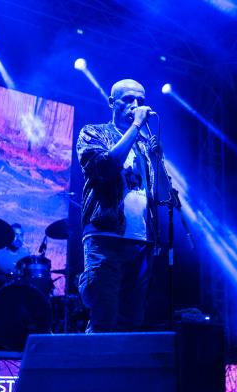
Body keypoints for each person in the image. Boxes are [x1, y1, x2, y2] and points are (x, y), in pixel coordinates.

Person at [76, 78, 161, 332]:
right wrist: (135, 126)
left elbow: (153, 194)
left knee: (132, 323)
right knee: (104, 318)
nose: (135, 105)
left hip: (141, 241)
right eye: (128, 99)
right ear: (112, 102)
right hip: (106, 238)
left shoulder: (144, 144)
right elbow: (104, 168)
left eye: (141, 101)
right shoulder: (93, 132)